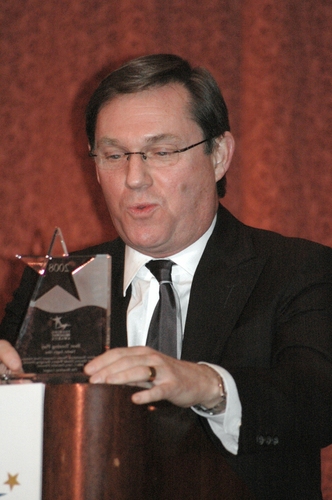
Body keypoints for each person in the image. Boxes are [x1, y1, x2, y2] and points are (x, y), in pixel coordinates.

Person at [1, 53, 332, 499]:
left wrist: (202, 383)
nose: (134, 178)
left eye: (161, 152)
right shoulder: (60, 282)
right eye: (114, 155)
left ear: (219, 155)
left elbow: (315, 401)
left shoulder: (297, 270)